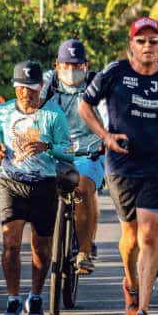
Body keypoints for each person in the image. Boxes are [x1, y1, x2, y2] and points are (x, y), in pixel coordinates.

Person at [79, 17, 158, 315]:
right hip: (122, 164)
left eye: (153, 42)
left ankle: (142, 312)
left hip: (156, 164)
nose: (147, 47)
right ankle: (129, 281)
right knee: (129, 239)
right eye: (141, 41)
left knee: (148, 237)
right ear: (131, 45)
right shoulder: (115, 72)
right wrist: (105, 136)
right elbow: (85, 106)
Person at [0, 61, 73, 315]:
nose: (27, 93)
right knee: (10, 242)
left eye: (32, 88)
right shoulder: (2, 111)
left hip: (44, 184)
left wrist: (47, 146)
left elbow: (67, 150)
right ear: (15, 88)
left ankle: (36, 295)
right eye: (21, 87)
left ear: (41, 87)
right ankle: (13, 299)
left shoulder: (54, 115)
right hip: (11, 182)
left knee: (41, 247)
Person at [41, 40, 103, 275]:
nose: (71, 69)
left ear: (85, 65)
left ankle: (85, 252)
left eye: (76, 65)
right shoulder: (49, 85)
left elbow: (108, 115)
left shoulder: (97, 86)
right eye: (66, 64)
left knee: (83, 188)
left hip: (90, 152)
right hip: (55, 153)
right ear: (57, 65)